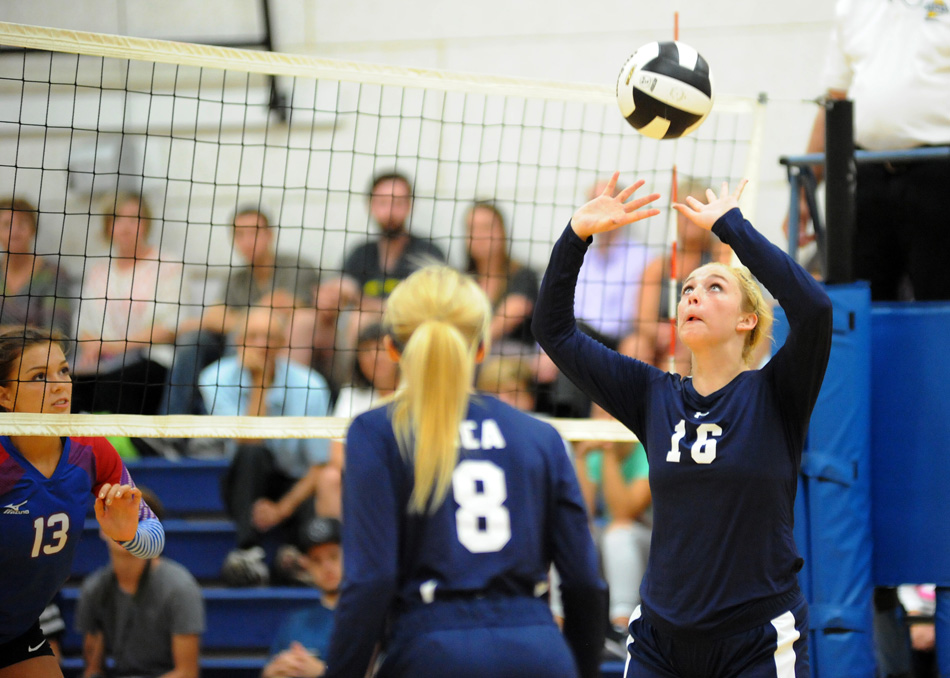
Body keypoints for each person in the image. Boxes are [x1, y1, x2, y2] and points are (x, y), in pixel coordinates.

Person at [532, 174, 833, 677]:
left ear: (747, 322)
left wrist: (733, 229)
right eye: (688, 289)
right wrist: (576, 235)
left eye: (714, 288)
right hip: (659, 643)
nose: (693, 294)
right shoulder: (653, 394)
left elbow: (815, 310)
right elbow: (554, 330)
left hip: (755, 642)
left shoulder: (777, 392)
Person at [323, 265, 608, 678]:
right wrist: (578, 668)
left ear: (390, 348)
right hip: (538, 652)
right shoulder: (540, 437)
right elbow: (584, 581)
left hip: (431, 650)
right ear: (482, 347)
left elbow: (370, 581)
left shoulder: (375, 433)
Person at [0, 326, 165, 678]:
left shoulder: (89, 448)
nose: (60, 384)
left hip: (14, 628)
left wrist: (127, 535)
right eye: (39, 376)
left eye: (63, 370)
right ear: (3, 395)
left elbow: (154, 538)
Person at [788, 0, 950, 302]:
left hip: (939, 170)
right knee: (863, 297)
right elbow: (834, 100)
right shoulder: (853, 6)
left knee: (940, 300)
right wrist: (804, 193)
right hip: (865, 172)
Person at [199, 306, 333, 586]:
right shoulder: (214, 379)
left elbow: (320, 464)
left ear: (283, 342)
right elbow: (248, 438)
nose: (262, 344)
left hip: (295, 485)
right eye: (254, 336)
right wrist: (260, 381)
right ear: (238, 341)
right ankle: (247, 552)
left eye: (270, 337)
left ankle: (295, 556)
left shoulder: (311, 384)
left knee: (319, 488)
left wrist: (282, 508)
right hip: (246, 480)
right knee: (251, 453)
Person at [163, 206, 324, 417]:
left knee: (241, 339)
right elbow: (214, 316)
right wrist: (258, 310)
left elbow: (293, 312)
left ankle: (230, 415)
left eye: (255, 232)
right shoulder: (237, 279)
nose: (248, 241)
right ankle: (173, 422)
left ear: (269, 234)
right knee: (192, 340)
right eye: (240, 235)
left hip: (273, 350)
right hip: (230, 346)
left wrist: (239, 321)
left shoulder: (296, 267)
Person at [316, 171, 446, 388]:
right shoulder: (360, 253)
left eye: (398, 203)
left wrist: (359, 299)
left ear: (409, 206)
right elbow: (339, 296)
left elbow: (426, 307)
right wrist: (329, 299)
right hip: (363, 338)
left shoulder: (428, 252)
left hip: (410, 332)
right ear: (370, 206)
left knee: (359, 319)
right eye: (383, 203)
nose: (390, 211)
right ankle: (352, 392)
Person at [72, 192, 185, 415]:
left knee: (113, 387)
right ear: (107, 227)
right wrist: (92, 347)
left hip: (151, 361)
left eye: (134, 219)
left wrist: (116, 347)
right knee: (70, 388)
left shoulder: (167, 266)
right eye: (117, 219)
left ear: (147, 225)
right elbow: (82, 324)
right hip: (100, 361)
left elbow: (171, 327)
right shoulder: (99, 271)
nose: (125, 227)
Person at [75, 488, 204, 678]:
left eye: (134, 521)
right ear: (103, 528)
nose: (124, 529)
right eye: (117, 519)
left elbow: (187, 673)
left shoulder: (179, 587)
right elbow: (93, 669)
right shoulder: (94, 588)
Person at [622, 177, 730, 373]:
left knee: (682, 352)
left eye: (696, 210)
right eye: (682, 212)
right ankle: (618, 403)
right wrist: (660, 333)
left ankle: (665, 403)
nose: (688, 218)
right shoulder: (659, 265)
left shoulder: (721, 255)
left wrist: (683, 334)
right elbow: (643, 319)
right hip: (663, 338)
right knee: (634, 346)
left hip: (702, 337)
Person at [572, 402, 652, 635]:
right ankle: (561, 621)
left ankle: (621, 628)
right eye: (599, 414)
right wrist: (580, 458)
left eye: (611, 413)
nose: (606, 420)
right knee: (574, 534)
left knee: (619, 533)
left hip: (653, 543)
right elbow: (580, 514)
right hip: (615, 538)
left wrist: (609, 452)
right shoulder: (592, 452)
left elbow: (623, 513)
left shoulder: (647, 449)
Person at [263, 517, 343, 678]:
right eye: (316, 560)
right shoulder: (295, 621)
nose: (326, 567)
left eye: (333, 557)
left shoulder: (371, 617)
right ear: (307, 566)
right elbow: (274, 668)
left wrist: (323, 672)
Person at [464, 201, 539, 355]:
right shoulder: (461, 281)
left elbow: (513, 312)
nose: (478, 235)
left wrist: (471, 347)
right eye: (472, 228)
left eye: (486, 228)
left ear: (502, 232)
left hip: (511, 360)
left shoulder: (522, 275)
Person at [0, 198, 75, 338]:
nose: (14, 231)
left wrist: (5, 332)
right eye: (6, 225)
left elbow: (57, 333)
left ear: (33, 229)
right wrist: (29, 330)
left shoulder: (53, 274)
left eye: (21, 224)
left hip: (39, 357)